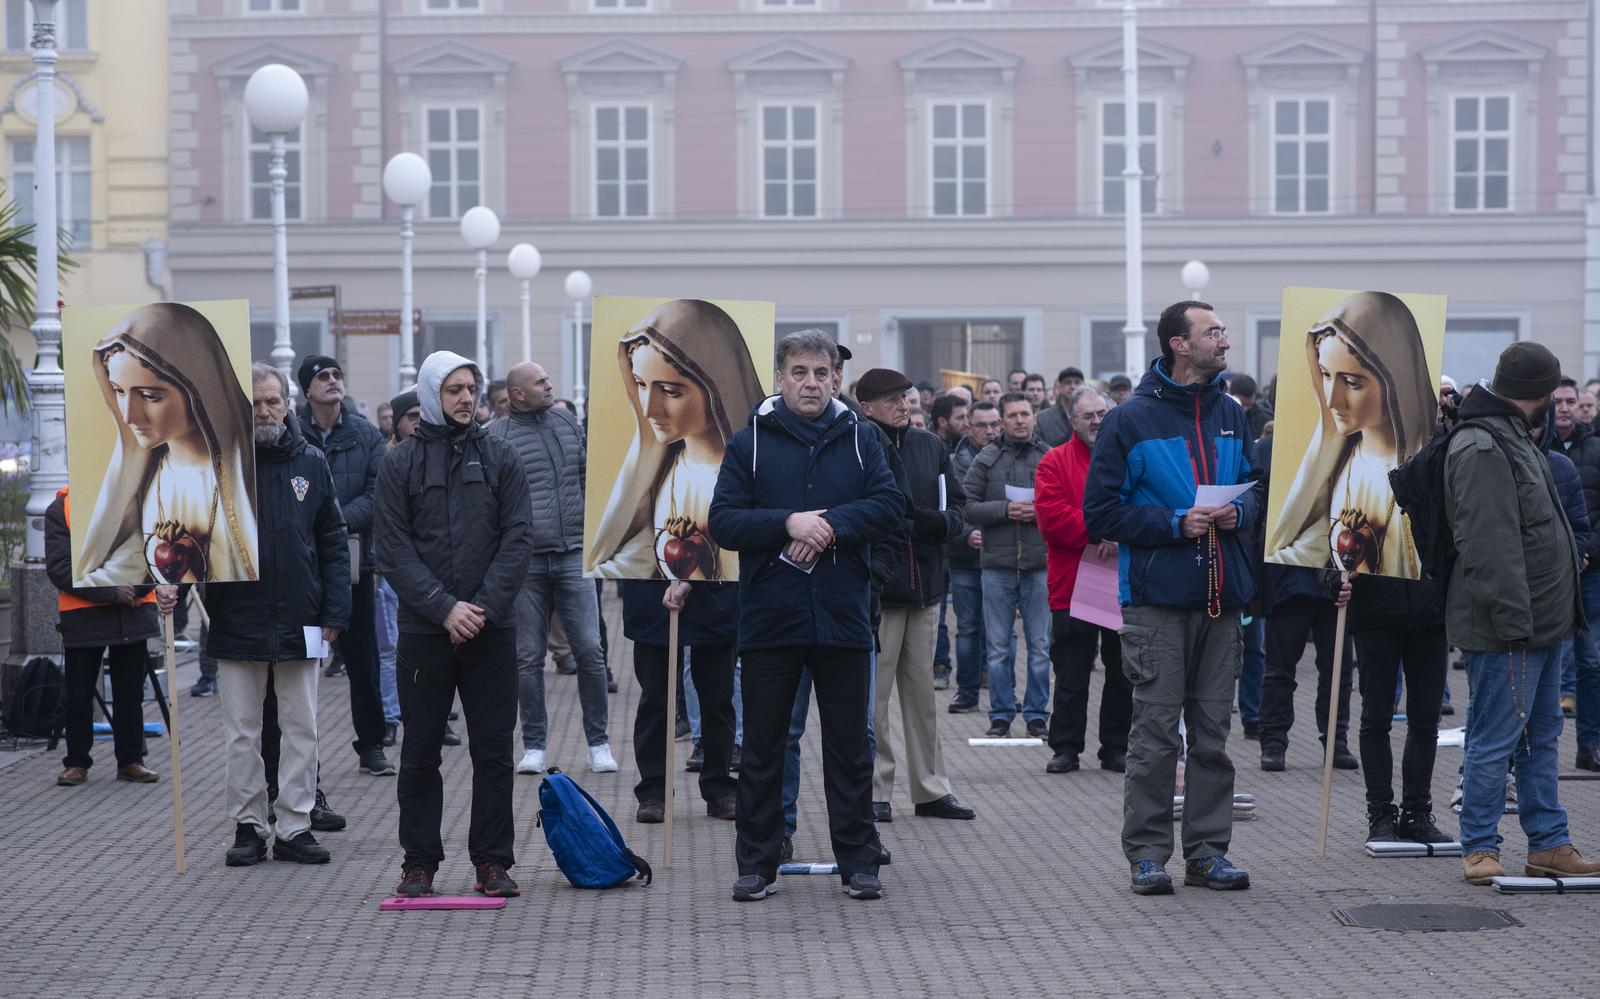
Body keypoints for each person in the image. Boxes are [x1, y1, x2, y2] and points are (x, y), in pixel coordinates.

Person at [709, 329, 903, 903]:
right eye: (799, 372)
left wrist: (831, 527)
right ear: (781, 378)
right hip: (771, 618)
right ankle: (758, 863)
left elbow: (890, 506)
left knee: (850, 748)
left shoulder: (863, 437)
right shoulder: (749, 443)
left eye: (821, 373)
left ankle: (859, 863)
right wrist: (788, 523)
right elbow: (723, 521)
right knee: (764, 749)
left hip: (842, 616)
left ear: (836, 379)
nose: (811, 383)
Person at [1084, 300, 1260, 896]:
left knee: (1213, 734)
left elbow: (1259, 490)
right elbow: (1100, 513)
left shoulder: (1230, 412)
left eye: (1224, 331)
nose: (1225, 341)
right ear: (1179, 344)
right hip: (1157, 601)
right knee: (1156, 735)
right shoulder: (1129, 420)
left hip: (1223, 596)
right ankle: (1148, 855)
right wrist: (1173, 522)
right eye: (1214, 332)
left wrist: (1241, 511)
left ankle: (1207, 853)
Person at [376, 350, 533, 899]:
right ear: (430, 395)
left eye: (471, 388)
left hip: (491, 628)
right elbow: (392, 547)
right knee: (420, 750)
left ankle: (492, 862)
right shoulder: (399, 464)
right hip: (426, 632)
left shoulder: (501, 456)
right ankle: (419, 863)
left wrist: (481, 608)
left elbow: (518, 538)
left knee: (493, 750)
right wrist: (443, 607)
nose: (467, 398)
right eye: (454, 390)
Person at [1446, 342, 1600, 885]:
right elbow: (1489, 545)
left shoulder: (1514, 437)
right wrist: (1515, 624)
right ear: (1540, 393)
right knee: (1495, 740)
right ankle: (1479, 846)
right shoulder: (1485, 446)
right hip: (1511, 628)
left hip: (1542, 623)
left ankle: (1549, 843)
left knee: (1540, 736)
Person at [209, 363, 350, 868]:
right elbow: (192, 537)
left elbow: (332, 540)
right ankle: (249, 826)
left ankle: (294, 826)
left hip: (301, 617)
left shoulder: (311, 462)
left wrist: (335, 610)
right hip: (236, 618)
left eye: (272, 401)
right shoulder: (220, 465)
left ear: (288, 404)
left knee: (301, 728)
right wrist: (170, 587)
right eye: (255, 403)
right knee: (242, 733)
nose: (265, 411)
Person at [855, 368, 976, 823]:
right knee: (874, 699)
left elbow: (958, 505)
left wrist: (941, 524)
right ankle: (875, 790)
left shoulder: (930, 445)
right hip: (881, 592)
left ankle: (931, 789)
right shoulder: (858, 445)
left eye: (904, 397)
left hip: (926, 587)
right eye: (891, 399)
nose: (902, 405)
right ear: (866, 407)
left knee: (923, 697)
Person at [490, 361, 616, 775]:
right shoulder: (496, 436)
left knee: (591, 651)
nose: (549, 385)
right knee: (528, 658)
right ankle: (534, 746)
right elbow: (492, 501)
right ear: (518, 394)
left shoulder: (565, 422)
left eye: (547, 378)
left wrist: (590, 531)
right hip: (525, 563)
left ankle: (598, 743)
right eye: (540, 381)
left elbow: (584, 477)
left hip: (573, 553)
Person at [76, 303, 258, 587]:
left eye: (150, 396)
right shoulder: (146, 477)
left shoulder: (247, 471)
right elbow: (129, 567)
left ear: (199, 391)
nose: (129, 415)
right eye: (119, 391)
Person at [588, 301, 765, 581]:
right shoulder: (664, 470)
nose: (649, 410)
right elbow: (644, 552)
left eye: (670, 391)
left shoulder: (754, 476)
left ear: (719, 389)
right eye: (641, 385)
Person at [1265, 292, 1436, 579]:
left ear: (1396, 383)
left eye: (1353, 383)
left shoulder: (1425, 469)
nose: (1332, 400)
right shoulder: (1338, 461)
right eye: (1326, 375)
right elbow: (1317, 542)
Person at [296, 354, 395, 777]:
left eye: (337, 374)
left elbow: (377, 495)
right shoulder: (291, 432)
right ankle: (302, 758)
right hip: (301, 565)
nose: (333, 381)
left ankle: (371, 745)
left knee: (362, 661)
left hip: (353, 563)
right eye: (323, 376)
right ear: (307, 389)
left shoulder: (366, 434)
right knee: (301, 664)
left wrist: (332, 520)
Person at [46, 487, 177, 787]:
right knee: (78, 694)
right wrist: (111, 592)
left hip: (130, 615)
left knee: (130, 694)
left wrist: (136, 590)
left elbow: (155, 554)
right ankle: (77, 762)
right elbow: (60, 568)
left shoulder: (141, 499)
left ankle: (130, 761)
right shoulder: (62, 509)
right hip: (85, 618)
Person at [1035, 387, 1131, 775]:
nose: (1096, 421)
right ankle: (1065, 747)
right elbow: (1051, 518)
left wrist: (1119, 533)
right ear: (1072, 420)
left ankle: (1116, 747)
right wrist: (1101, 530)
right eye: (1088, 415)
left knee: (1121, 671)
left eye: (1102, 414)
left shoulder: (1129, 458)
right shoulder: (1053, 461)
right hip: (1073, 582)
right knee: (1071, 671)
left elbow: (1142, 507)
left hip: (1120, 580)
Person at [963, 393, 1052, 739]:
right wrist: (1005, 509)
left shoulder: (1048, 457)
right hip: (997, 566)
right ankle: (1000, 715)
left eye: (1025, 414)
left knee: (1040, 647)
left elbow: (1066, 504)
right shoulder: (986, 459)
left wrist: (1038, 511)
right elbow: (967, 506)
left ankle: (1036, 715)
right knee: (999, 647)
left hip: (1039, 564)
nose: (1020, 420)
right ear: (1002, 421)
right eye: (1013, 415)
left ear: (1034, 418)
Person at [625, 578, 738, 822]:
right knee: (655, 698)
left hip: (714, 592)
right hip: (652, 590)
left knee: (718, 698)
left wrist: (691, 576)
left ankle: (719, 785)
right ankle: (654, 789)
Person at [1550, 378, 1600, 747]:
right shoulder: (1535, 450)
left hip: (1590, 570)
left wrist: (1587, 551)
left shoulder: (1596, 449)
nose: (1565, 408)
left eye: (1571, 401)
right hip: (1550, 571)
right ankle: (1537, 752)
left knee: (1591, 661)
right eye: (1558, 401)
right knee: (1545, 661)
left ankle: (1590, 744)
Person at [946, 400, 1004, 714]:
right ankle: (967, 693)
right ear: (968, 427)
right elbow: (948, 507)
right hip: (964, 560)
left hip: (1004, 558)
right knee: (967, 628)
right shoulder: (954, 462)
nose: (989, 431)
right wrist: (967, 534)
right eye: (982, 425)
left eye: (994, 424)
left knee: (1002, 632)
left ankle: (1004, 697)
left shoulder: (1010, 458)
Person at [376, 389, 423, 749]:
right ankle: (391, 717)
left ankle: (433, 718)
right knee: (389, 649)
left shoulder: (440, 455)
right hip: (391, 570)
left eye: (424, 415)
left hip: (430, 571)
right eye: (412, 417)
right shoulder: (386, 460)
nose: (418, 423)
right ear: (397, 422)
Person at [1036, 367, 1085, 448]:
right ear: (1059, 388)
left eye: (1077, 382)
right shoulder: (1042, 418)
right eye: (1068, 382)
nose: (1073, 386)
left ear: (1084, 387)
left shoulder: (1092, 416)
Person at [1227, 374, 1273, 443]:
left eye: (1249, 405)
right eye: (1242, 404)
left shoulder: (1266, 418)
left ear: (1254, 395)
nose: (1245, 409)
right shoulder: (1223, 417)